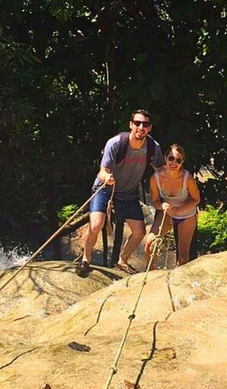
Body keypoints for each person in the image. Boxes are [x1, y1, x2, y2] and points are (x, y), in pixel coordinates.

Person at [76, 110, 164, 276]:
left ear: (150, 128)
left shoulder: (153, 147)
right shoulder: (116, 143)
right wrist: (107, 177)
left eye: (145, 124)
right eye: (137, 123)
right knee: (96, 224)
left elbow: (160, 171)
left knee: (139, 232)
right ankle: (85, 260)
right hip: (105, 189)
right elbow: (103, 171)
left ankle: (122, 261)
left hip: (128, 193)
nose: (140, 127)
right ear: (131, 125)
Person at [144, 144, 200, 267]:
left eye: (178, 160)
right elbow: (155, 202)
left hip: (186, 216)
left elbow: (196, 199)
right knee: (149, 245)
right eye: (171, 158)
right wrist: (162, 205)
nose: (174, 162)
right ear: (165, 158)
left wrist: (178, 210)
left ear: (182, 163)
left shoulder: (187, 178)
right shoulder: (155, 178)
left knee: (183, 257)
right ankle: (152, 277)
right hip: (166, 214)